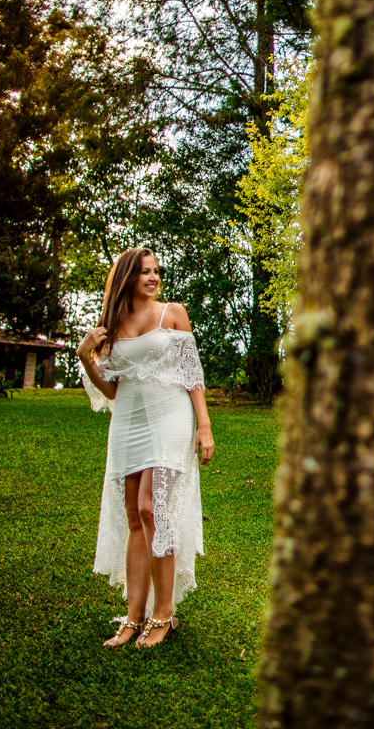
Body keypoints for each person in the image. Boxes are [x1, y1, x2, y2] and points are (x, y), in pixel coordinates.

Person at [77, 247, 215, 647]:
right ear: (127, 277)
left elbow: (192, 374)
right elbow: (112, 390)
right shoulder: (111, 325)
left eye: (156, 271)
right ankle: (133, 617)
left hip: (170, 414)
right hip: (128, 422)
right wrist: (86, 357)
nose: (153, 278)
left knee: (151, 508)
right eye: (144, 272)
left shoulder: (173, 313)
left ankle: (164, 614)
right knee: (134, 517)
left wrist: (204, 426)